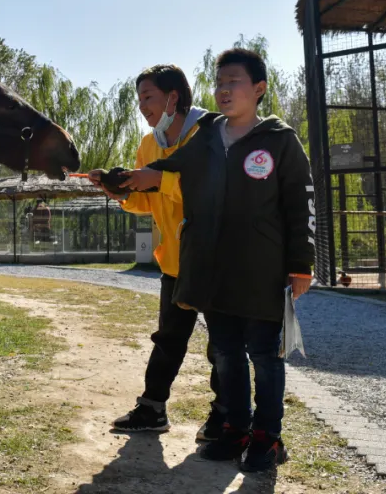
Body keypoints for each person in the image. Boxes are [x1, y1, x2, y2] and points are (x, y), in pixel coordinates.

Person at [123, 48, 314, 472]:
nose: (225, 91)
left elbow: (301, 204)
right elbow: (169, 170)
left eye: (235, 82)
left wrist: (301, 265)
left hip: (262, 271)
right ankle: (235, 429)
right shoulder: (208, 135)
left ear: (258, 89)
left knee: (265, 355)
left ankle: (268, 436)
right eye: (220, 83)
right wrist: (125, 181)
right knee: (226, 352)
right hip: (214, 269)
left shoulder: (279, 141)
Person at [87, 64, 220, 441]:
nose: (142, 106)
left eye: (149, 97)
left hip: (214, 259)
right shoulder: (149, 144)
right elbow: (151, 202)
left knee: (222, 345)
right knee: (168, 339)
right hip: (176, 262)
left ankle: (223, 415)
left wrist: (160, 179)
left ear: (173, 97)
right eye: (139, 99)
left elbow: (213, 193)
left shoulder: (208, 133)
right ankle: (152, 408)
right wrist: (122, 192)